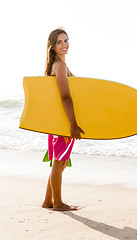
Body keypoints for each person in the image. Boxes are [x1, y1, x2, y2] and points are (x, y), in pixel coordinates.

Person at [42, 28, 85, 211]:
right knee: (59, 163)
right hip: (63, 122)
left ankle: (48, 201)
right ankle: (58, 203)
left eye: (66, 40)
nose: (64, 44)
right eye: (59, 42)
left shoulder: (59, 64)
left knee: (59, 162)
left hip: (58, 122)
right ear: (52, 46)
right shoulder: (59, 66)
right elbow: (65, 96)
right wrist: (73, 124)